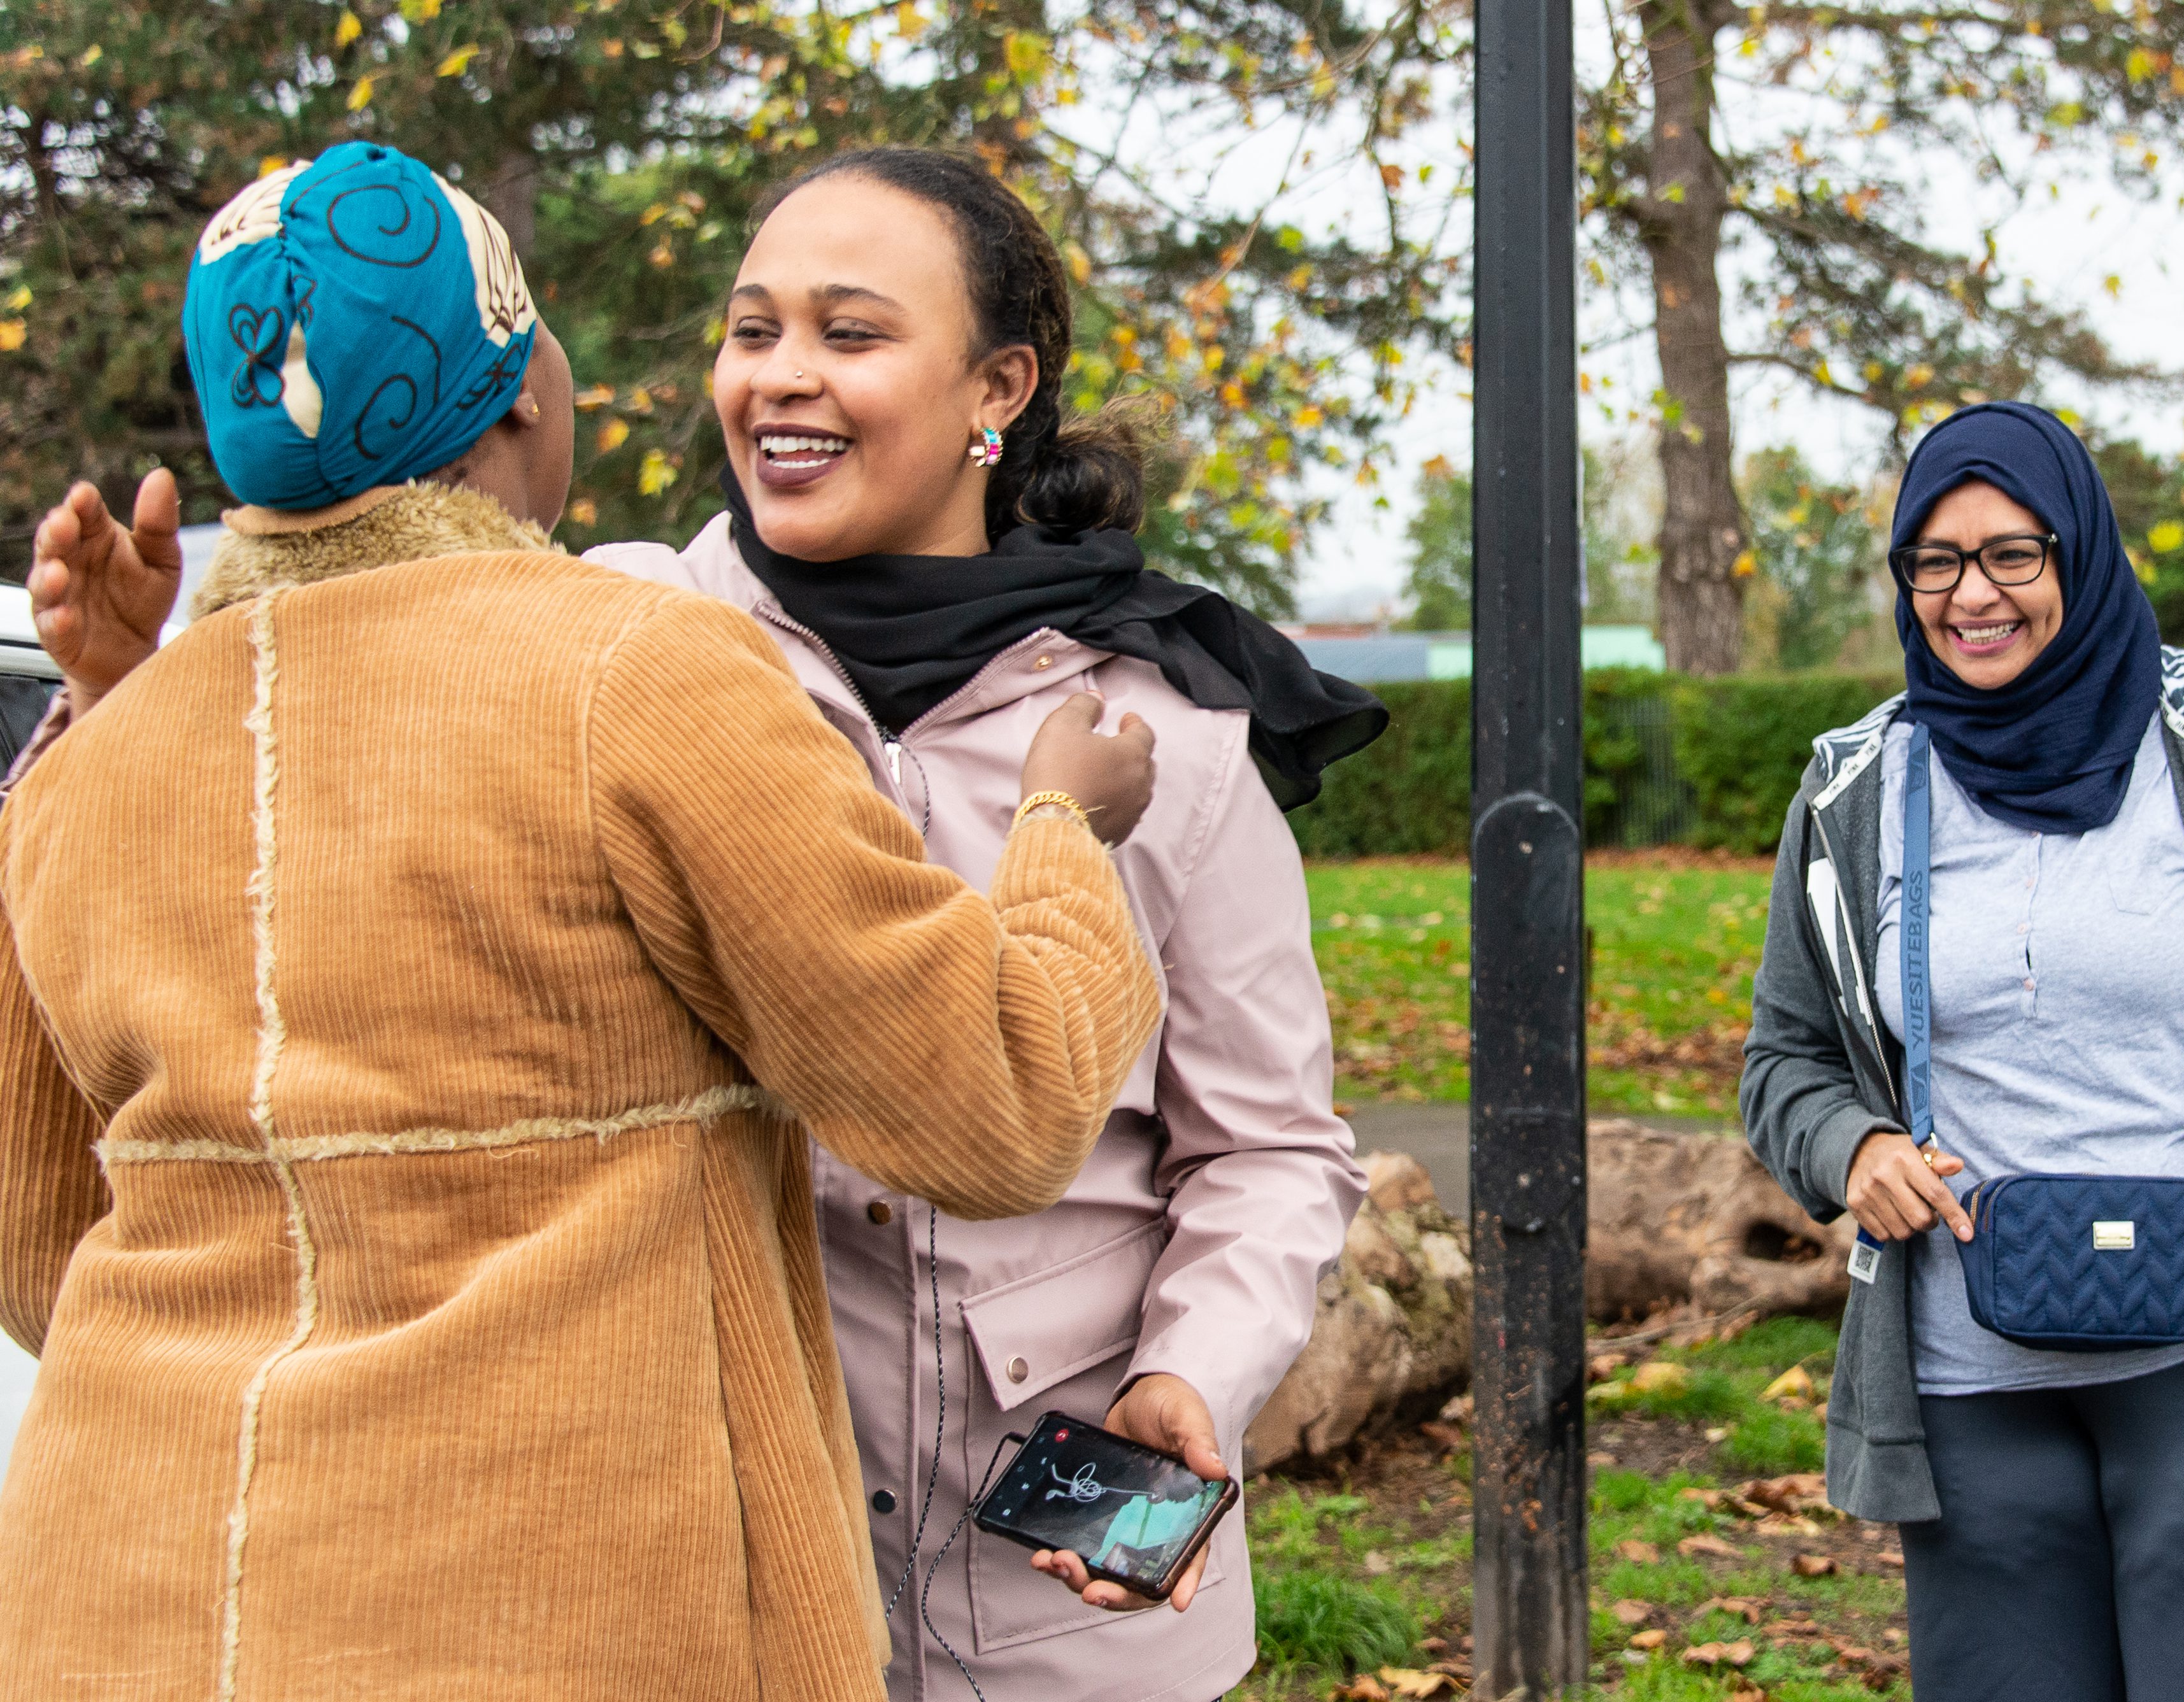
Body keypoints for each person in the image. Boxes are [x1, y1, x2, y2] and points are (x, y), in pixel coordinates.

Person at [27, 146, 1377, 1702]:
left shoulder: (1170, 732)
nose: (781, 377)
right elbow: (309, 867)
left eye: (849, 332)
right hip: (701, 1581)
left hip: (1060, 1602)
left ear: (995, 386)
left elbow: (1267, 1144)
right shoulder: (611, 647)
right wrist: (129, 701)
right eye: (752, 330)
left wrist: (1186, 1373)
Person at [1741, 401, 2184, 1701]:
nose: (1969, 593)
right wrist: (1851, 1146)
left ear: (2079, 552)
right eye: (1932, 560)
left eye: (2011, 552)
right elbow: (1783, 1057)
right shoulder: (1857, 785)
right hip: (1966, 1375)